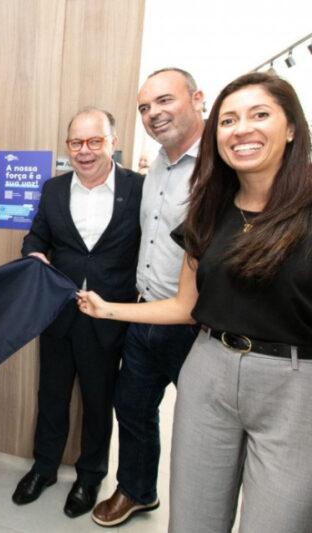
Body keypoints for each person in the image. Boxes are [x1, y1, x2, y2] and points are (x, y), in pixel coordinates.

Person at [78, 72, 312, 533]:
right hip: (183, 336)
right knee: (143, 423)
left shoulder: (281, 200)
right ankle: (136, 489)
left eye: (259, 115)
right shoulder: (202, 199)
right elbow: (184, 293)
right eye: (231, 120)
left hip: (283, 375)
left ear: (290, 127)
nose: (242, 129)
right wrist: (109, 307)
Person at [14, 108, 144, 518]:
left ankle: (90, 478)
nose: (84, 151)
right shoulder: (53, 189)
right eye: (76, 143)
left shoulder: (139, 189)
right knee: (50, 395)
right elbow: (37, 235)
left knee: (97, 400)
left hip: (108, 318)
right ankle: (45, 468)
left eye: (94, 142)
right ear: (67, 145)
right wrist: (34, 252)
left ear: (112, 142)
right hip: (58, 313)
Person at [91, 68, 205, 527]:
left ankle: (201, 514)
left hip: (199, 325)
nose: (153, 113)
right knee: (133, 408)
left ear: (197, 98)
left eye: (164, 101)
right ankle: (137, 491)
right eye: (144, 107)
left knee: (201, 430)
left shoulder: (221, 165)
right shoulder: (157, 165)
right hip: (145, 311)